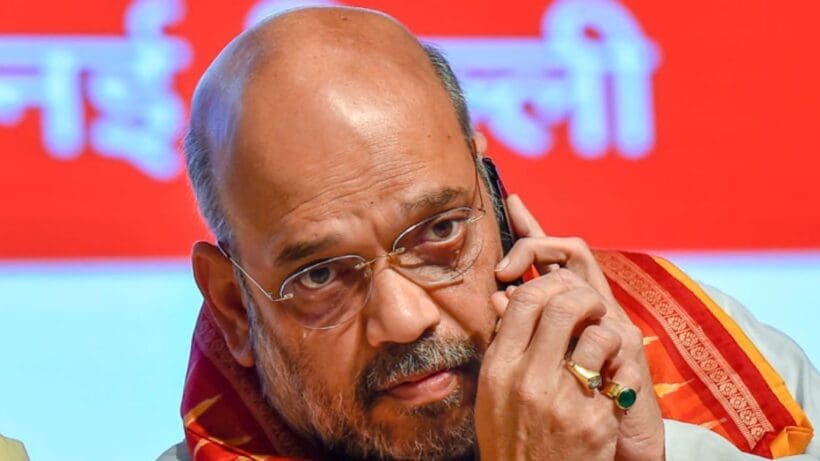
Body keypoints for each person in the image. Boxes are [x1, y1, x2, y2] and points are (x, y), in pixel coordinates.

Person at [161, 6, 818, 461]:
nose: (404, 316)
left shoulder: (689, 340)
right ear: (232, 305)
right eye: (321, 275)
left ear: (496, 205)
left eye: (440, 231)